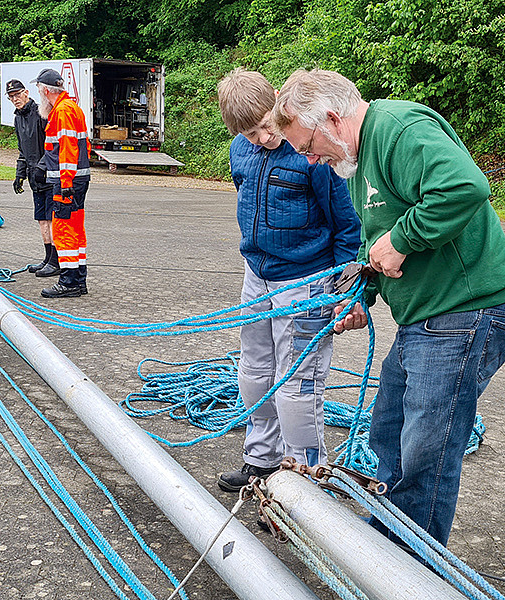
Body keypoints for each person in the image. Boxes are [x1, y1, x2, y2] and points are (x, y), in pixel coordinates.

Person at [272, 68, 505, 547]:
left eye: (307, 146)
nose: (310, 159)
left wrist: (402, 240)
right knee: (389, 431)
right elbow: (371, 239)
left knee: (425, 454)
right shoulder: (355, 163)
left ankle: (411, 567)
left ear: (331, 119)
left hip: (464, 312)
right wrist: (359, 295)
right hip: (426, 318)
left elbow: (464, 188)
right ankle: (387, 543)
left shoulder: (400, 129)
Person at [215, 69, 361, 493]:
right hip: (257, 277)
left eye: (266, 125)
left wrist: (344, 288)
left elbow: (346, 223)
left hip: (306, 282)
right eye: (251, 134)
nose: (263, 138)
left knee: (297, 386)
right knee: (254, 374)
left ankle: (303, 481)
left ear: (278, 102)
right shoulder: (239, 151)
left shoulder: (312, 154)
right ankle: (261, 460)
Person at [32, 68, 90, 298]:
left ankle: (68, 282)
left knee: (64, 230)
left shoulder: (63, 111)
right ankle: (78, 280)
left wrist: (65, 182)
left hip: (68, 182)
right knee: (76, 230)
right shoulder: (71, 107)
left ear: (46, 90)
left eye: (39, 89)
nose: (39, 93)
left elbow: (67, 148)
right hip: (78, 180)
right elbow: (80, 147)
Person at [7, 78, 60, 278]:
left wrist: (42, 167)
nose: (15, 99)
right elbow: (23, 150)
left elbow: (52, 144)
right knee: (42, 220)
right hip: (34, 177)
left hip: (49, 175)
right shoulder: (18, 119)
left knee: (52, 219)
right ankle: (47, 258)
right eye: (11, 97)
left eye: (17, 95)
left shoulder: (41, 113)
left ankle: (56, 261)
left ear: (26, 93)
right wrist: (20, 174)